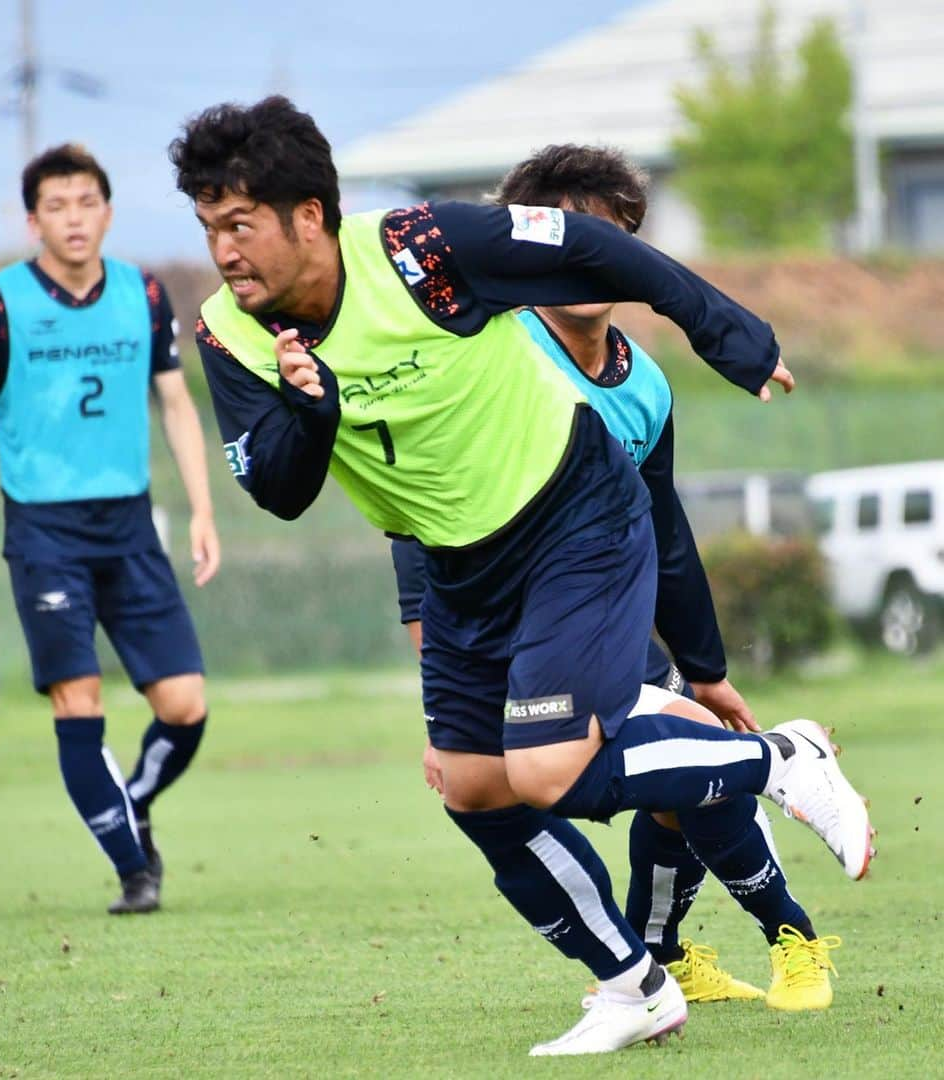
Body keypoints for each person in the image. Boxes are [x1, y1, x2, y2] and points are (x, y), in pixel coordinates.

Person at [171, 96, 873, 1055]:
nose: (223, 253)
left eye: (240, 226)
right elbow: (281, 492)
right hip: (460, 566)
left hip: (570, 518)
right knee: (476, 789)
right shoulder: (227, 335)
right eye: (209, 228)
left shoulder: (426, 247)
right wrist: (314, 410)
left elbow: (602, 252)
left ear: (309, 217)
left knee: (546, 770)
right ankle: (636, 986)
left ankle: (784, 761)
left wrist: (725, 330)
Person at [389, 143, 843, 1011]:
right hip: (505, 633)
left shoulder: (646, 386)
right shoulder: (493, 358)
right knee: (565, 786)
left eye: (605, 238)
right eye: (564, 236)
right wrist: (443, 690)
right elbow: (421, 508)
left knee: (686, 769)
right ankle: (715, 927)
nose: (583, 258)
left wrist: (707, 668)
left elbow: (665, 534)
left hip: (606, 619)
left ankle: (763, 947)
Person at [0, 144, 220, 916]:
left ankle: (132, 798)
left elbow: (176, 404)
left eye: (87, 203)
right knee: (77, 699)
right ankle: (133, 870)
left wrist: (205, 509)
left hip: (129, 525)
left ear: (108, 213)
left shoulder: (143, 294)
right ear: (33, 220)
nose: (74, 218)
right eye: (57, 205)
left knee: (185, 705)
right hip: (45, 533)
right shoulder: (1, 302)